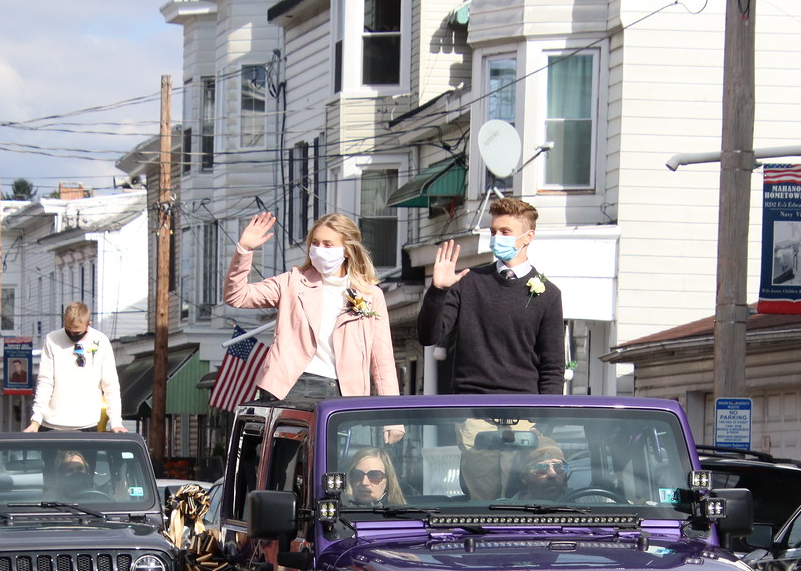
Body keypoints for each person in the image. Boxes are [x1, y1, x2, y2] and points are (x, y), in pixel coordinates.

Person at [225, 211, 400, 405]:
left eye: (328, 244)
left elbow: (382, 359)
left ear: (347, 250)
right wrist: (244, 250)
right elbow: (237, 296)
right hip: (292, 386)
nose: (319, 249)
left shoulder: (370, 295)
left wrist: (391, 414)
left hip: (346, 392)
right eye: (315, 243)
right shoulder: (293, 282)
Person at [418, 196, 565, 394]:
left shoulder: (549, 294)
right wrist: (438, 291)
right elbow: (429, 336)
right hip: (472, 407)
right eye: (493, 232)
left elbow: (552, 366)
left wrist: (545, 421)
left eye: (505, 232)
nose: (497, 238)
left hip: (523, 410)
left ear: (528, 237)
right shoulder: (468, 281)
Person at [25, 302, 124, 433]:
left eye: (77, 332)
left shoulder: (101, 341)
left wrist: (116, 421)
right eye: (68, 330)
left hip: (87, 423)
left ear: (89, 323)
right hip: (51, 423)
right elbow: (45, 382)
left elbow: (110, 385)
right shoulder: (52, 339)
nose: (72, 335)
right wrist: (36, 420)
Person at [341, 446, 406, 507]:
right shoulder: (337, 514)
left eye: (375, 475)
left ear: (388, 481)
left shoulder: (405, 516)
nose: (364, 482)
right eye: (357, 475)